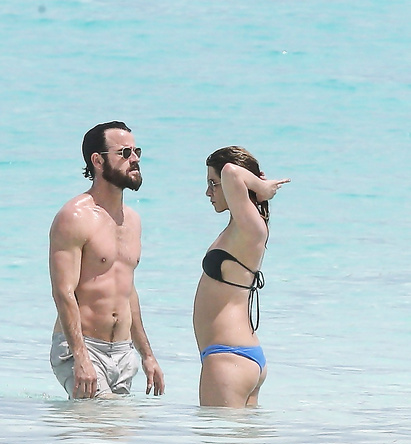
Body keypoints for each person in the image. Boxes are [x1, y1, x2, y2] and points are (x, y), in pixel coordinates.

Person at [49, 121, 165, 399]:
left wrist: (147, 355)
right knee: (102, 416)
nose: (134, 159)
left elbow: (127, 291)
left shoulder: (133, 221)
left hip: (123, 354)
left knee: (116, 426)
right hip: (82, 348)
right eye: (124, 153)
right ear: (98, 161)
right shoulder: (74, 217)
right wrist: (81, 358)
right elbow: (63, 292)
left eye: (136, 151)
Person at [193, 146, 290, 408]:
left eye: (213, 184)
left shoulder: (252, 227)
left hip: (227, 357)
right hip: (236, 356)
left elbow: (230, 171)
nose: (208, 192)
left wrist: (262, 187)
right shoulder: (241, 226)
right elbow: (231, 174)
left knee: (215, 436)